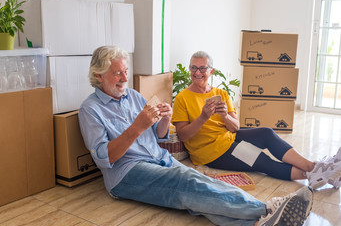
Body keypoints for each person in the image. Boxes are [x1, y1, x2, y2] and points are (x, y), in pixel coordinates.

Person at [78, 45, 313, 226]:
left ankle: (256, 222)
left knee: (202, 187)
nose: (124, 78)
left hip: (159, 159)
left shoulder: (134, 96)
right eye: (117, 73)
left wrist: (165, 120)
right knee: (188, 184)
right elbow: (103, 158)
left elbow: (158, 137)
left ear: (210, 71)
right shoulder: (91, 109)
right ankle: (266, 209)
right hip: (126, 172)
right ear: (99, 76)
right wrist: (137, 127)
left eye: (125, 71)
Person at [172, 50, 341, 190]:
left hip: (229, 138)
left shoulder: (221, 93)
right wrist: (203, 117)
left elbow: (235, 127)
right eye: (194, 68)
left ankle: (315, 170)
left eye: (202, 68)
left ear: (211, 71)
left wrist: (224, 116)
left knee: (266, 133)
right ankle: (318, 172)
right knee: (261, 160)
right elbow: (183, 135)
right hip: (210, 151)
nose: (197, 73)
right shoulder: (182, 97)